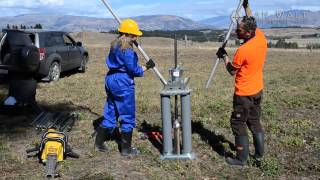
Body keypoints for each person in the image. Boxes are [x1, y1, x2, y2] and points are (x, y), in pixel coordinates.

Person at [216, 0, 267, 166]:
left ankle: (241, 159)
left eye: (239, 30)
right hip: (257, 90)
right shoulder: (260, 37)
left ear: (248, 33)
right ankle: (259, 155)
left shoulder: (243, 50)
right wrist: (246, 5)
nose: (236, 32)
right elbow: (251, 17)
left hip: (244, 94)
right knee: (254, 121)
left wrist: (224, 56)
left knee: (238, 123)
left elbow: (231, 71)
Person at [95, 19, 155, 156]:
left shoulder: (115, 44)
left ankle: (98, 143)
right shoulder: (127, 50)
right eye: (134, 35)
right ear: (129, 34)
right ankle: (126, 149)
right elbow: (134, 70)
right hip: (122, 82)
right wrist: (147, 67)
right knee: (127, 114)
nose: (136, 37)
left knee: (111, 110)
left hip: (110, 79)